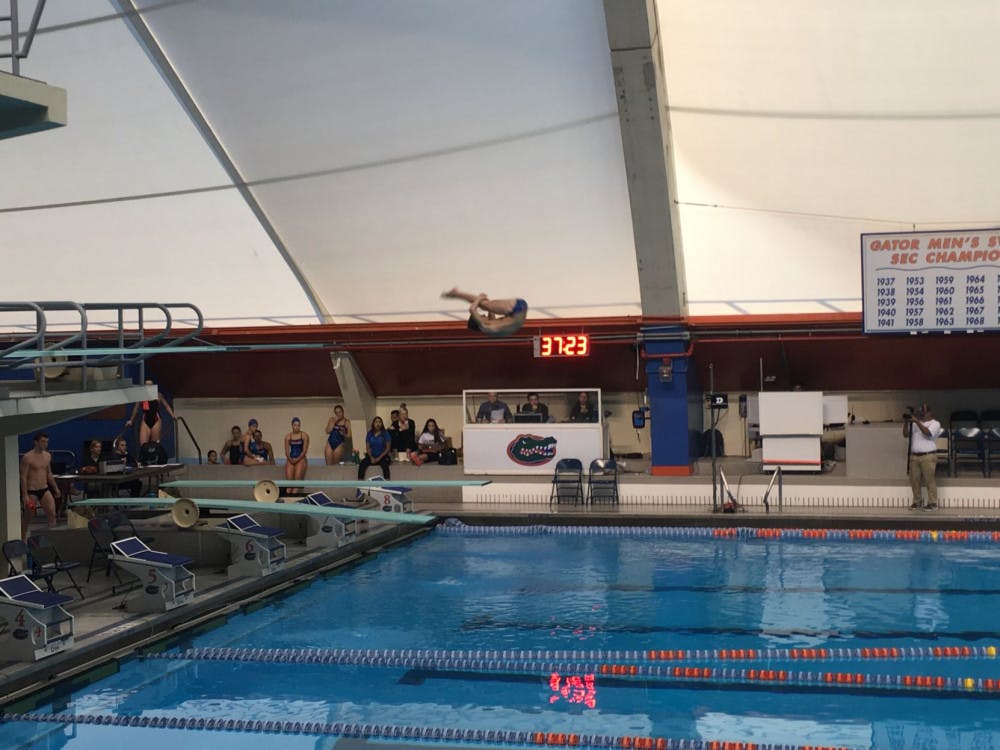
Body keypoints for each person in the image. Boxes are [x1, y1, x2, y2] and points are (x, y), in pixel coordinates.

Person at [19, 432, 60, 540]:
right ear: (36, 442)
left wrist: (55, 488)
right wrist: (25, 495)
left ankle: (52, 537)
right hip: (32, 492)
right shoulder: (27, 457)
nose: (45, 444)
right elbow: (23, 476)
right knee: (29, 515)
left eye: (47, 442)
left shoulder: (47, 455)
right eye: (43, 441)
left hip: (44, 490)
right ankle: (23, 537)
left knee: (52, 512)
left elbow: (49, 473)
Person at [442, 287, 528, 337]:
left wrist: (482, 302)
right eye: (481, 316)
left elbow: (489, 310)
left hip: (519, 311)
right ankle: (456, 294)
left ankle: (456, 294)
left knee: (485, 305)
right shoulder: (486, 326)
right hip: (517, 308)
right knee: (484, 305)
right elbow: (472, 309)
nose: (483, 315)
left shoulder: (490, 327)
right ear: (478, 321)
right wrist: (479, 298)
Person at [904, 403, 943, 510]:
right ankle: (917, 501)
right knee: (914, 480)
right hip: (914, 456)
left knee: (929, 480)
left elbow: (927, 433)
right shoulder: (916, 424)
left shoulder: (935, 423)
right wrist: (906, 423)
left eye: (923, 413)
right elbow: (906, 434)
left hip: (928, 456)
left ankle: (933, 503)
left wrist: (916, 421)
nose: (921, 415)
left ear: (929, 413)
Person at [126, 380, 176, 446]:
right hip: (145, 421)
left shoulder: (158, 395)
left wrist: (173, 415)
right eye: (147, 385)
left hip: (156, 420)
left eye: (150, 385)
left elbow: (166, 405)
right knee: (143, 445)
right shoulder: (141, 395)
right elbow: (136, 408)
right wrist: (131, 420)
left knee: (154, 445)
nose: (148, 387)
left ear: (153, 386)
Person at [284, 417, 310, 486]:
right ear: (292, 425)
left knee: (297, 479)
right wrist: (290, 460)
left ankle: (295, 494)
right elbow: (287, 452)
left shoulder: (304, 435)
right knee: (289, 482)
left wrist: (297, 459)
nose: (297, 427)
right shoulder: (288, 437)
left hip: (301, 458)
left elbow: (304, 451)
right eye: (295, 425)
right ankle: (289, 495)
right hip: (291, 458)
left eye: (298, 425)